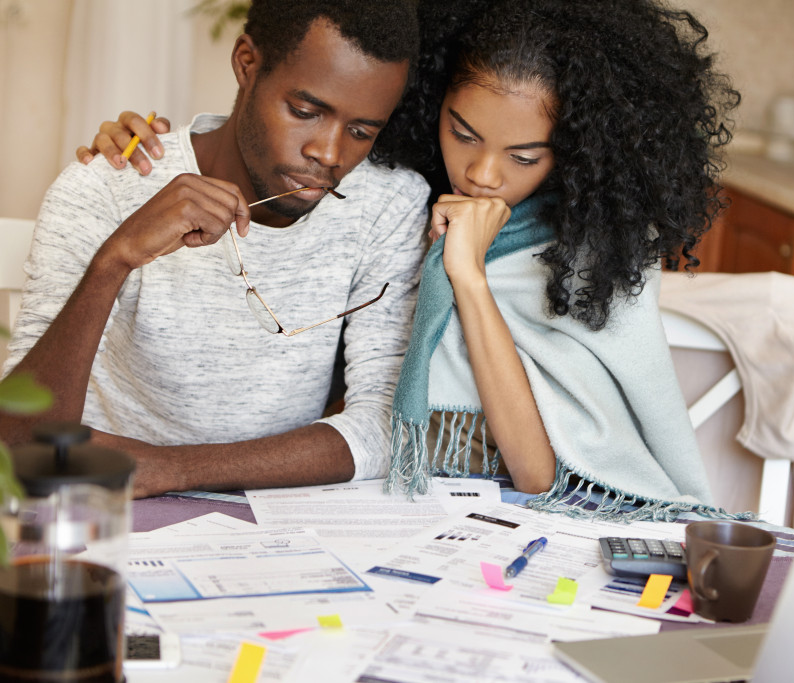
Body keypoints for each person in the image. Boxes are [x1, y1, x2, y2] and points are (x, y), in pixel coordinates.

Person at [77, 0, 744, 519]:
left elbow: (539, 475)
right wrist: (159, 147)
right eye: (463, 132)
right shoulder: (399, 198)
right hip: (377, 505)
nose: (483, 174)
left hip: (523, 521)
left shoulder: (590, 258)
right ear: (430, 103)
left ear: (572, 150)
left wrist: (468, 277)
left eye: (523, 156)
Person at [0, 0, 430, 499]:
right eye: (305, 112)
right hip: (102, 505)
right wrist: (114, 260)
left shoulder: (387, 205)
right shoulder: (107, 186)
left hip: (275, 519)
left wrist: (171, 469)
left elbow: (384, 428)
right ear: (247, 63)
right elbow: (17, 439)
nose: (329, 154)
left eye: (361, 132)